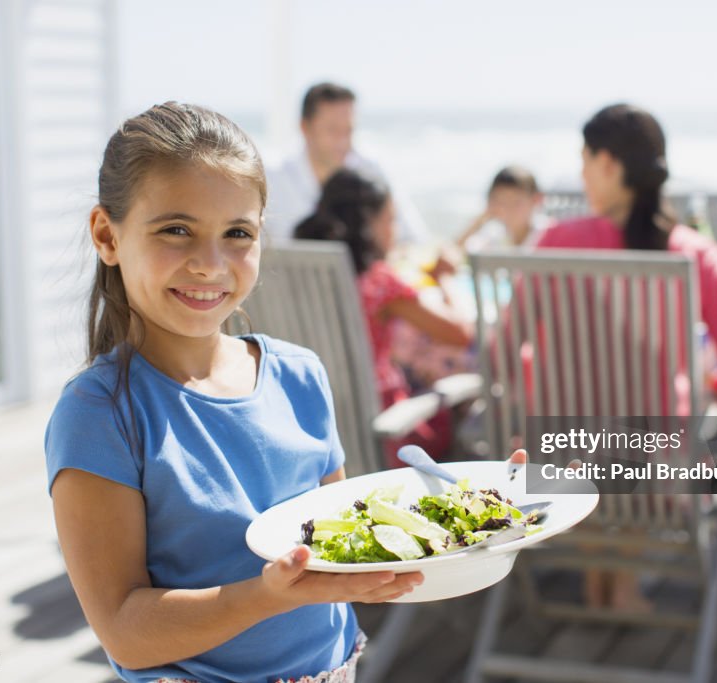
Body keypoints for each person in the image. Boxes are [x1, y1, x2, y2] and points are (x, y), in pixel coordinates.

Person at [44, 102, 430, 683]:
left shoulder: (300, 375)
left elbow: (348, 537)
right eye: (177, 230)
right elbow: (124, 630)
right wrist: (270, 594)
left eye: (237, 234)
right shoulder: (100, 413)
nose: (209, 263)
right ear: (107, 235)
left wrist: (501, 503)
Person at [535, 103, 717, 611]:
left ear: (610, 165)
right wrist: (712, 388)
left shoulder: (554, 242)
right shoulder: (696, 255)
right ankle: (622, 586)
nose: (580, 173)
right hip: (657, 474)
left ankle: (601, 572)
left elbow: (501, 355)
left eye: (584, 159)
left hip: (558, 457)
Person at [294, 168, 474, 466]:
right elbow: (460, 332)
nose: (396, 230)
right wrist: (445, 279)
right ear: (369, 224)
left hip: (316, 424)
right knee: (465, 392)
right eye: (390, 219)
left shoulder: (301, 273)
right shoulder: (379, 283)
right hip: (387, 430)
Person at [264, 82, 428, 245]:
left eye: (348, 130)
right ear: (305, 128)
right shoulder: (273, 177)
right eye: (332, 130)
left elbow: (411, 239)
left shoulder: (371, 171)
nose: (343, 142)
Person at [456, 165, 548, 252]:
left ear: (536, 200)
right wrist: (482, 219)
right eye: (501, 202)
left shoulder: (550, 232)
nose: (507, 209)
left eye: (516, 202)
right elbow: (456, 252)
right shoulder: (493, 235)